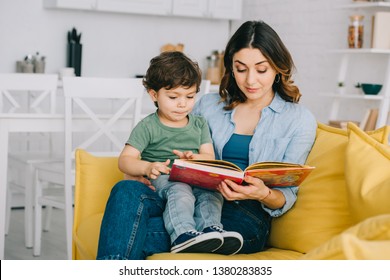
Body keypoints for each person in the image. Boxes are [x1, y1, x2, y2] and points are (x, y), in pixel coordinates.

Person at [97, 20, 317, 260]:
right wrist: (143, 170)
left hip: (244, 214)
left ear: (277, 68)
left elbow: (287, 195)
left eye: (261, 70)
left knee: (129, 231)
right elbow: (172, 142)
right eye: (241, 69)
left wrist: (261, 193)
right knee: (125, 189)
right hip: (185, 196)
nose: (251, 80)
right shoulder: (208, 106)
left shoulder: (298, 119)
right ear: (231, 67)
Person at [116, 51, 243, 255]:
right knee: (180, 190)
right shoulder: (148, 126)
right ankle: (182, 235)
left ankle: (211, 230)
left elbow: (209, 157)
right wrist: (147, 167)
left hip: (193, 175)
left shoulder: (199, 124)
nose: (183, 103)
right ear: (154, 95)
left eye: (190, 96)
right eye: (174, 97)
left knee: (212, 193)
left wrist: (195, 158)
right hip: (165, 178)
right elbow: (125, 160)